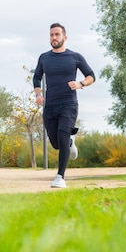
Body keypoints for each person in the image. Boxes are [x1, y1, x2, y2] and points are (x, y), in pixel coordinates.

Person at [33, 22, 95, 188]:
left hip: (68, 104)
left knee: (62, 133)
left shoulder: (75, 57)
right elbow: (37, 77)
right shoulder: (44, 57)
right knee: (56, 143)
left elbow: (91, 76)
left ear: (64, 37)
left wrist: (80, 84)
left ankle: (60, 177)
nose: (54, 38)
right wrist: (38, 94)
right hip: (50, 106)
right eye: (51, 35)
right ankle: (69, 142)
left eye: (57, 34)